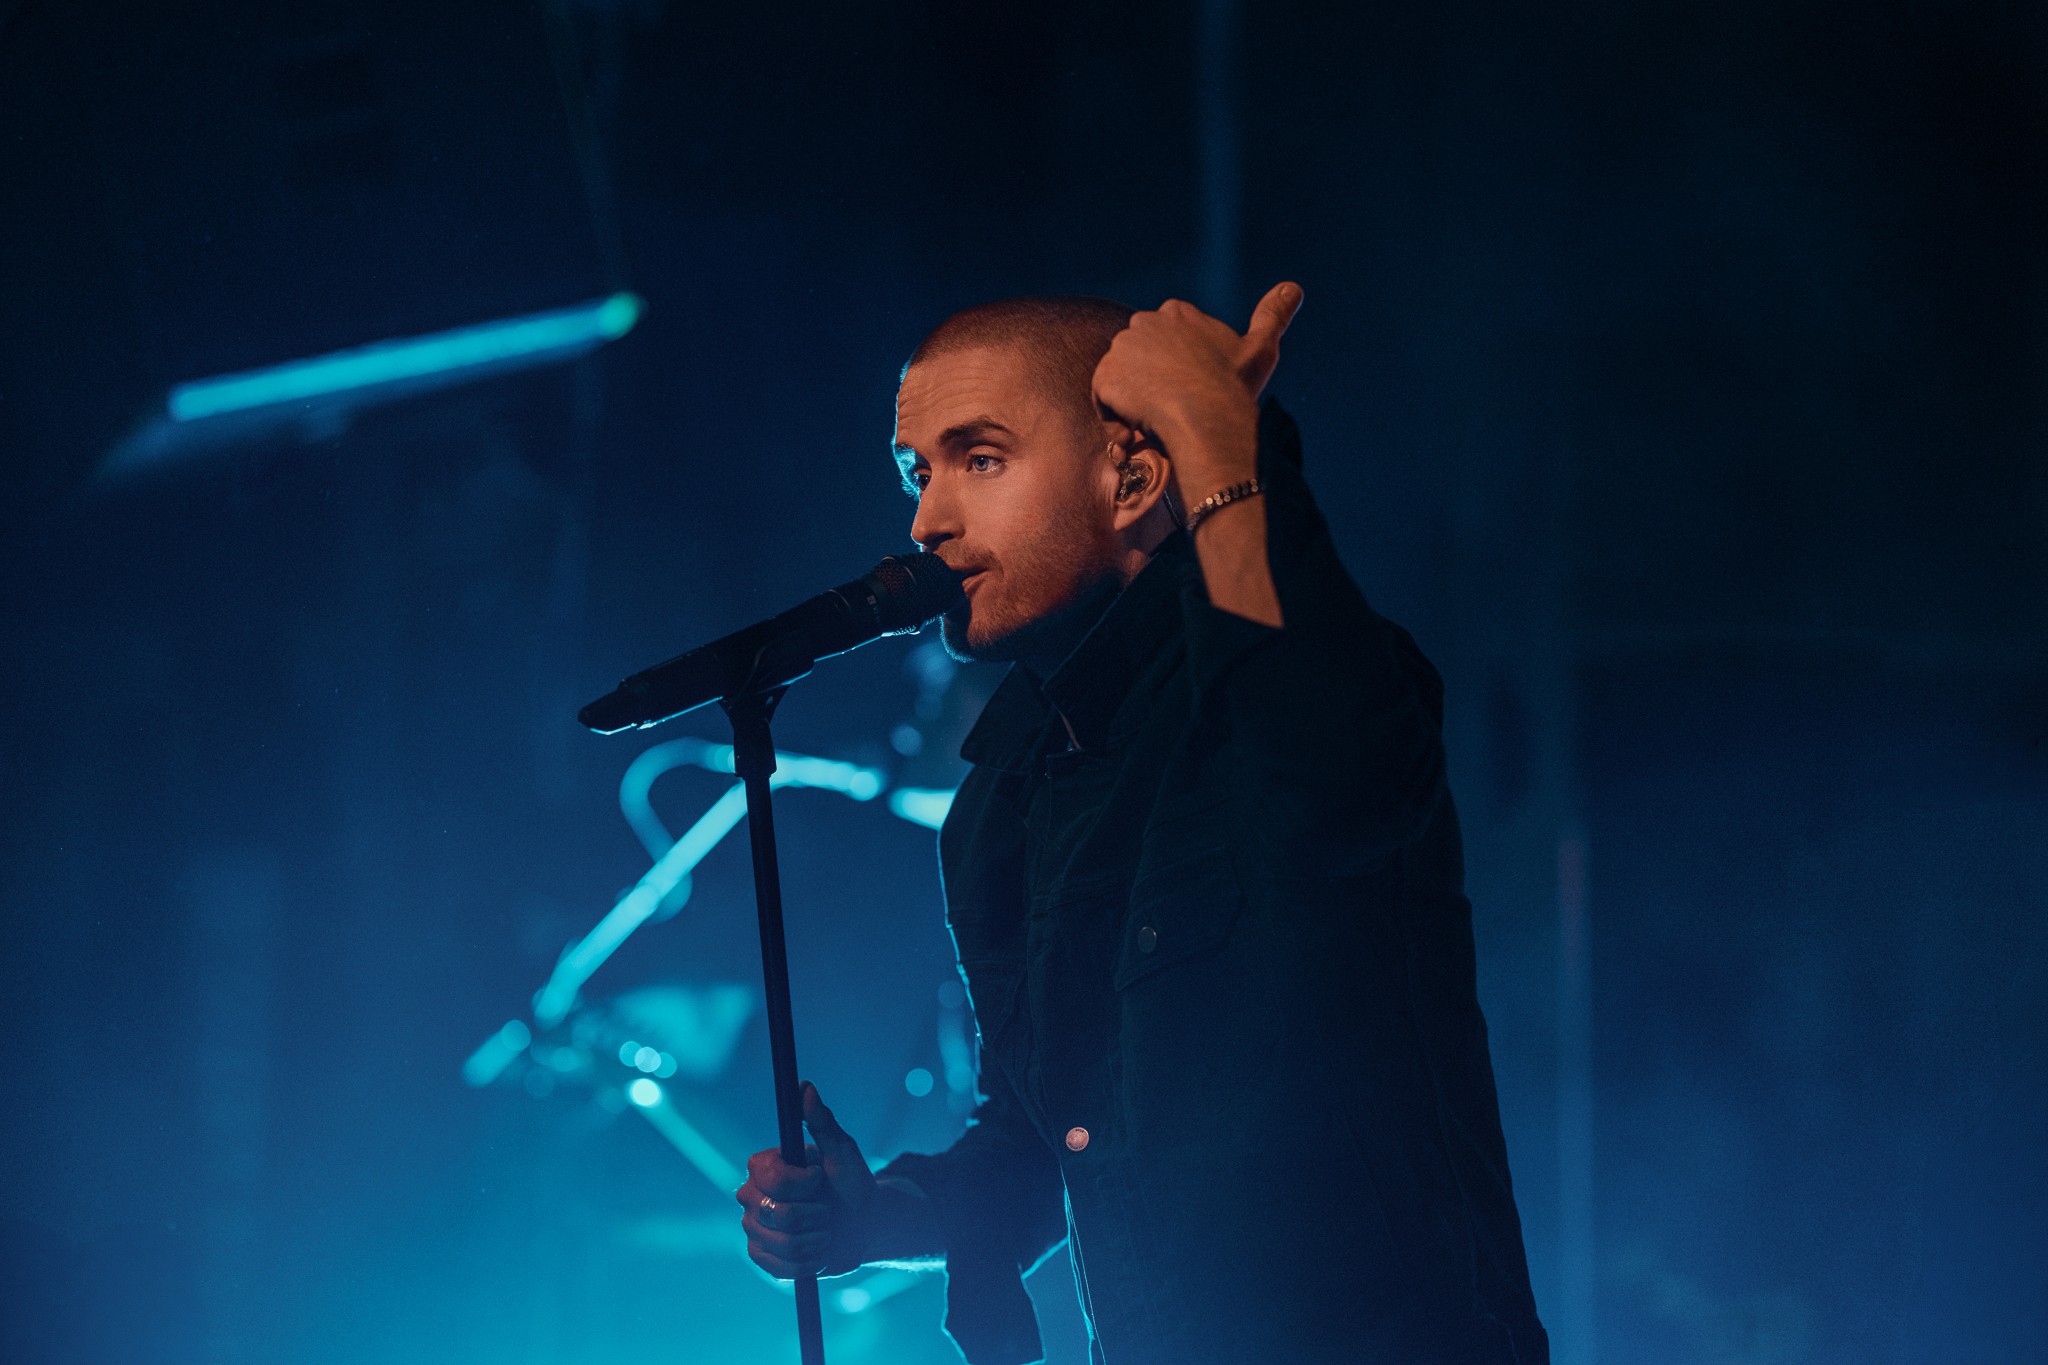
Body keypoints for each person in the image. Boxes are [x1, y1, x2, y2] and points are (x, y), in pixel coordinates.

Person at [735, 284, 1550, 1365]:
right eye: (917, 473)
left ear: (1131, 477)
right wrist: (878, 1216)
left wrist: (1221, 437)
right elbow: (1047, 1137)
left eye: (980, 458)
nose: (927, 519)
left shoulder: (1288, 683)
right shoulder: (1000, 804)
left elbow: (1320, 750)